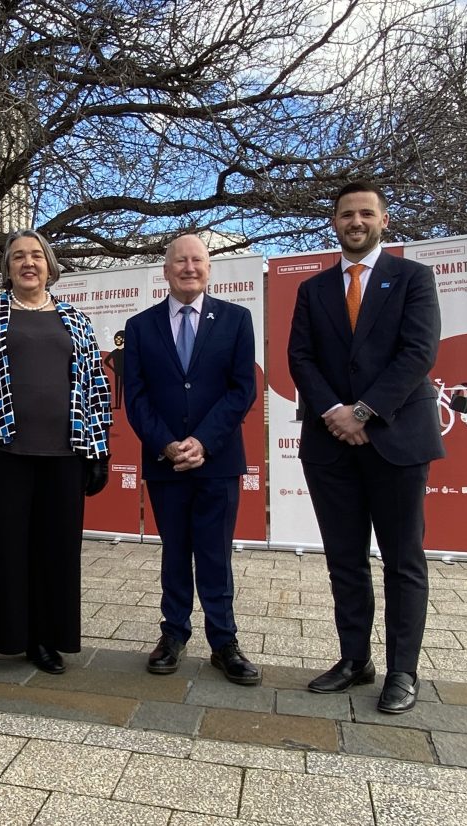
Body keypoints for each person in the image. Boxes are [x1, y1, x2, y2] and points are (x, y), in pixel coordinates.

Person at [287, 180, 445, 714]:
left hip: (395, 439)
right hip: (330, 444)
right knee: (344, 559)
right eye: (346, 215)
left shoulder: (413, 279)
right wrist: (336, 411)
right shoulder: (313, 290)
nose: (355, 222)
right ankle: (355, 659)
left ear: (383, 221)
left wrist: (364, 411)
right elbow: (301, 359)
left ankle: (402, 670)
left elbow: (418, 353)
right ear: (335, 223)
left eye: (365, 214)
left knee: (403, 560)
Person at [0, 230, 112, 675]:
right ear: (7, 268)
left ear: (49, 265)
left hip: (64, 455)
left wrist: (100, 453)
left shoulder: (75, 320)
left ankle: (43, 639)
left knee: (53, 551)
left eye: (36, 255)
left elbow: (95, 388)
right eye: (18, 256)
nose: (28, 263)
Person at [123, 234, 259, 684]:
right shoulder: (141, 327)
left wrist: (203, 440)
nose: (188, 267)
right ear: (165, 270)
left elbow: (242, 390)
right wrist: (166, 444)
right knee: (175, 552)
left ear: (209, 268)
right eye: (179, 261)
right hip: (165, 463)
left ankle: (224, 642)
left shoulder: (237, 320)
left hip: (216, 461)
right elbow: (137, 396)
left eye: (197, 260)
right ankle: (173, 635)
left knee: (216, 554)